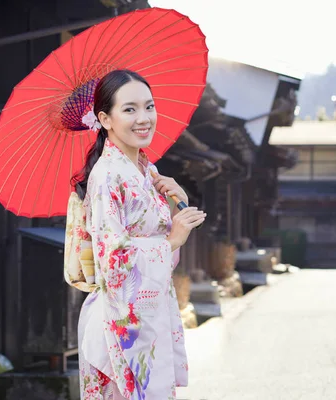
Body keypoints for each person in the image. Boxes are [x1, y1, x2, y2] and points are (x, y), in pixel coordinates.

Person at [67, 69, 206, 400]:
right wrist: (171, 241)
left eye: (149, 106)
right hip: (118, 321)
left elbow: (156, 233)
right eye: (129, 109)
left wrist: (178, 198)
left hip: (145, 314)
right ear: (105, 118)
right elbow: (112, 259)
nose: (144, 118)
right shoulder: (107, 176)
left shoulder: (146, 169)